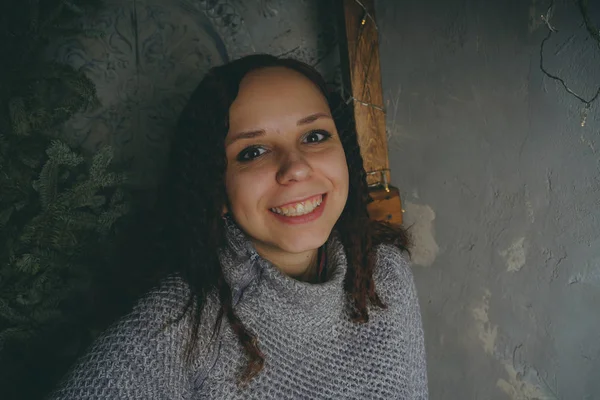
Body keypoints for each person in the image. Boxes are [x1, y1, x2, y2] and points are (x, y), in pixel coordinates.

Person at [48, 54, 428, 399]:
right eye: (253, 152)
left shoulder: (387, 273)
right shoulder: (181, 323)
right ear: (218, 190)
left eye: (314, 136)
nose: (295, 167)